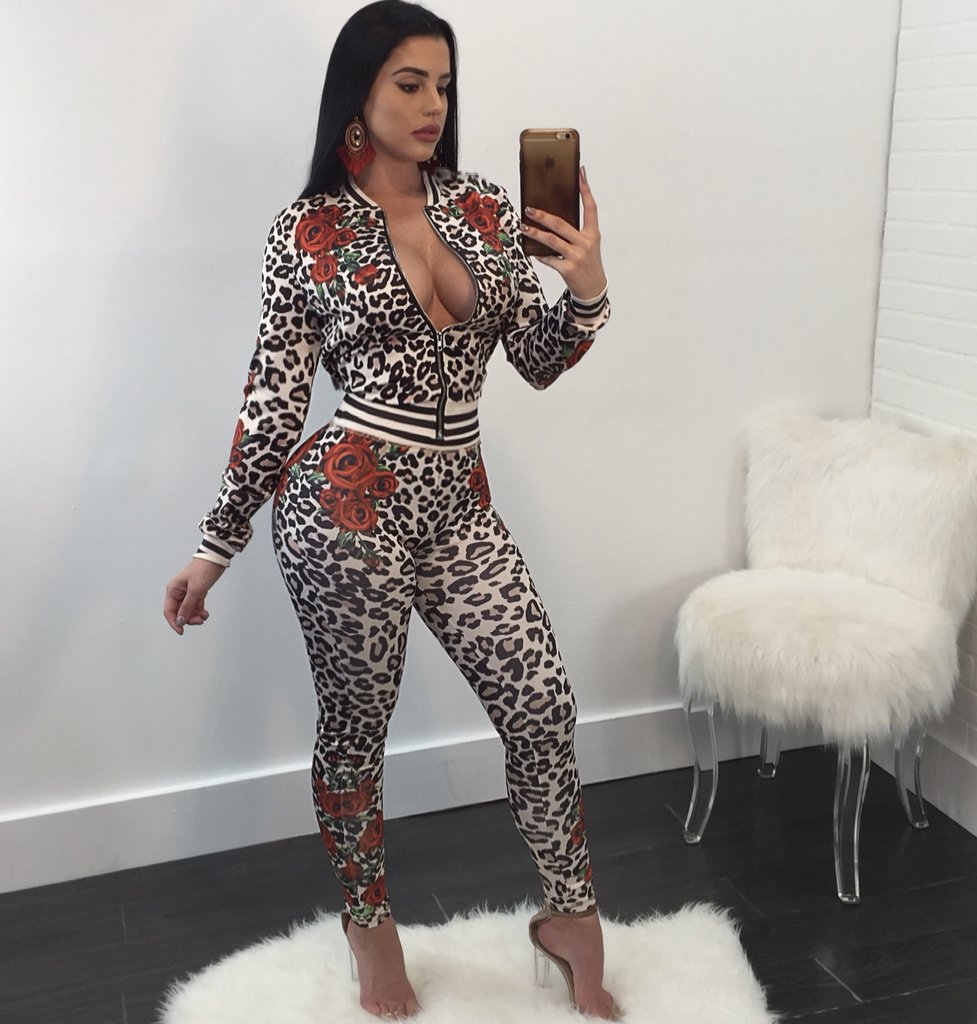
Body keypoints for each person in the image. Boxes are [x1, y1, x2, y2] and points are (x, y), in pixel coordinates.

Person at [163, 1, 617, 1018]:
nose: (431, 104)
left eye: (442, 84)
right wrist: (214, 544)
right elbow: (274, 399)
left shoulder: (487, 208)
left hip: (460, 506)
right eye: (408, 83)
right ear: (357, 92)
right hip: (342, 511)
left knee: (541, 704)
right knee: (357, 729)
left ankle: (571, 917)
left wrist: (585, 289)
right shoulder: (306, 232)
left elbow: (536, 361)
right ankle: (370, 928)